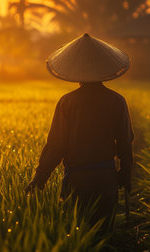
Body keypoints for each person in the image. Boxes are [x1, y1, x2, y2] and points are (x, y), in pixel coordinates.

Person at [25, 33, 134, 228]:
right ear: (103, 69)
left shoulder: (67, 102)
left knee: (78, 234)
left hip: (76, 181)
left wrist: (39, 179)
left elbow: (55, 146)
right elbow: (125, 143)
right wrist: (125, 174)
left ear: (76, 71)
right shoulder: (117, 101)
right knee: (104, 234)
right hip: (105, 179)